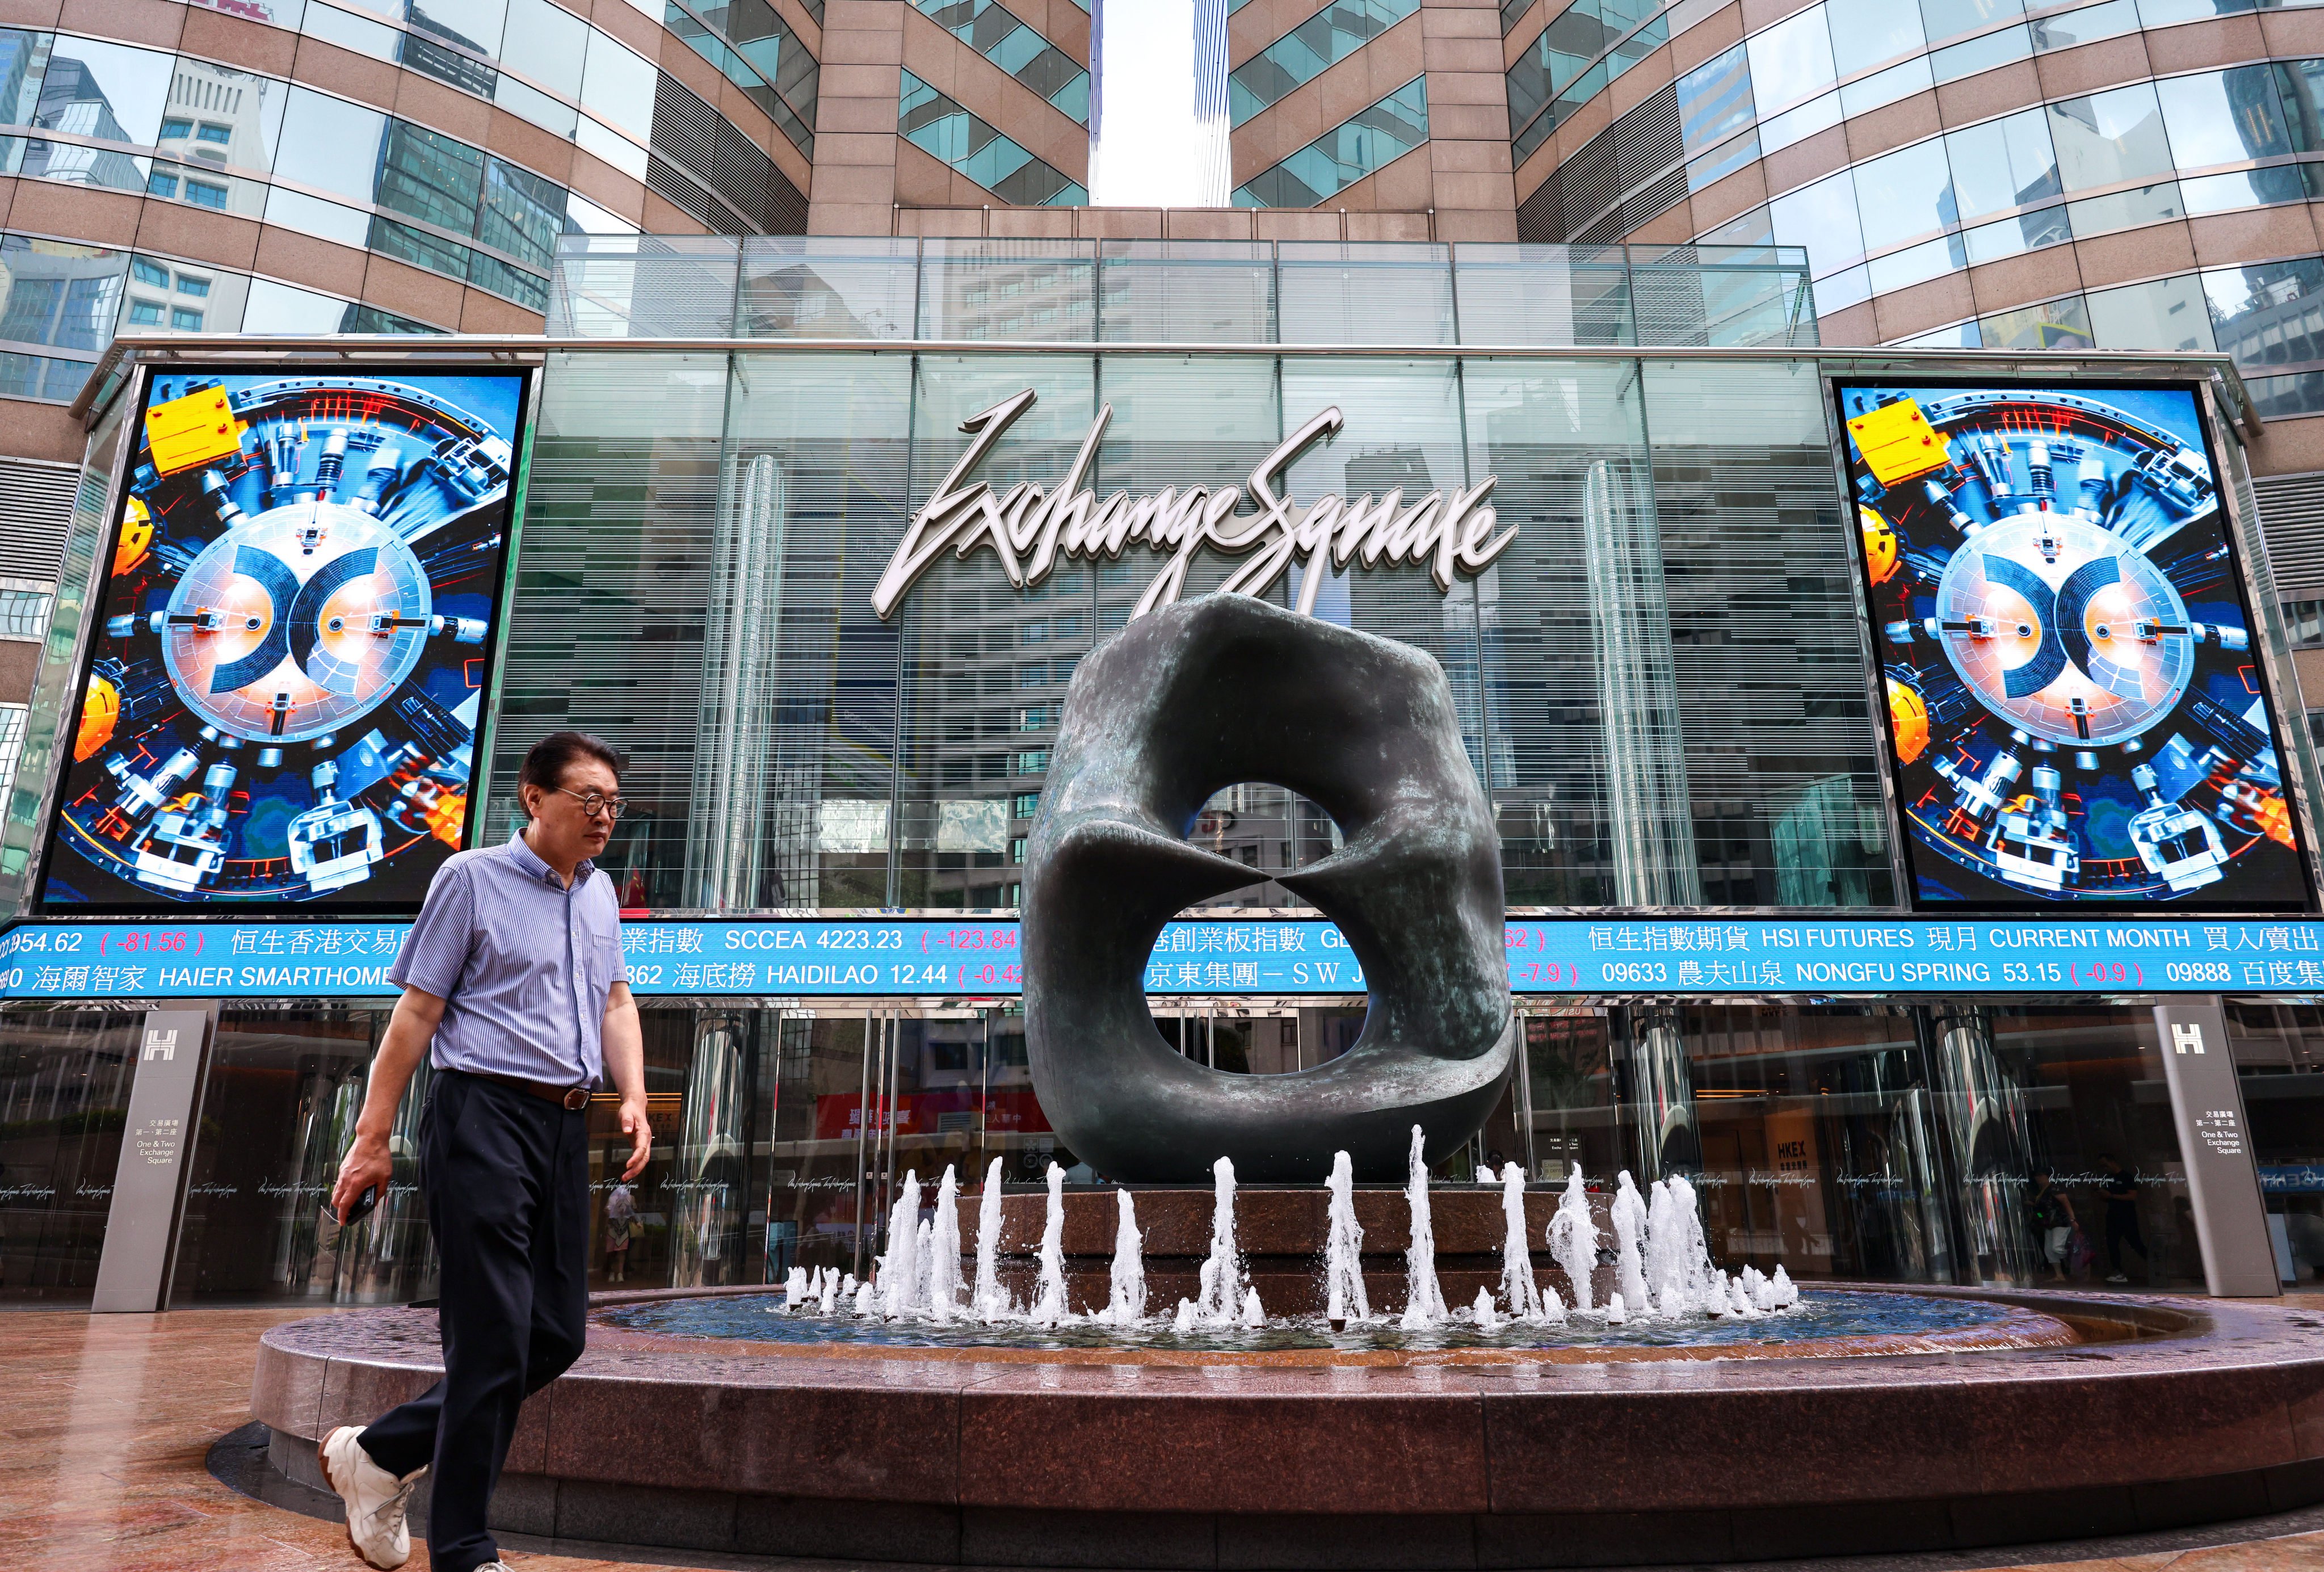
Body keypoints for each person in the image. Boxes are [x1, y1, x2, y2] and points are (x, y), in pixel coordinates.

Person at [318, 732, 650, 1572]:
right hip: (481, 1113)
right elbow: (417, 1014)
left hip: (563, 1125)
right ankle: (463, 1547)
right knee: (495, 1336)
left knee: (556, 1334)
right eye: (588, 798)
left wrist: (635, 1096)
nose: (603, 816)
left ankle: (383, 1452)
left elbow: (615, 999)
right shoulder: (469, 879)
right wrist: (372, 1137)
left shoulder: (601, 890)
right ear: (533, 798)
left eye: (613, 801)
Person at [2098, 1152, 2146, 1285]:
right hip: (2113, 1215)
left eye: (2105, 1165)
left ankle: (2153, 1265)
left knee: (2135, 1242)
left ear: (2112, 1162)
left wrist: (2112, 1196)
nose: (2105, 1168)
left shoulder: (2126, 1177)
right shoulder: (2108, 1178)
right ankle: (2117, 1271)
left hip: (2126, 1216)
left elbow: (2132, 1196)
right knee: (2112, 1243)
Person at [2027, 1167, 2077, 1283]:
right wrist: (2036, 1211)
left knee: (2057, 1248)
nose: (2038, 1178)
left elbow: (2066, 1204)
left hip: (2059, 1222)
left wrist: (2073, 1219)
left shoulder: (2053, 1189)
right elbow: (2040, 1210)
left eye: (2041, 1176)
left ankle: (2074, 1259)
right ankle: (2060, 1275)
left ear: (2047, 1176)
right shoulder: (2042, 1192)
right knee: (2049, 1250)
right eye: (2037, 1176)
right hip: (2048, 1224)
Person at [603, 1177, 637, 1284]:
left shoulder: (616, 1198)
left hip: (618, 1227)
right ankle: (617, 1273)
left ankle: (617, 1273)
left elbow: (607, 1212)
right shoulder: (626, 1197)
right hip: (619, 1227)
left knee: (616, 1252)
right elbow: (634, 1211)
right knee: (617, 1251)